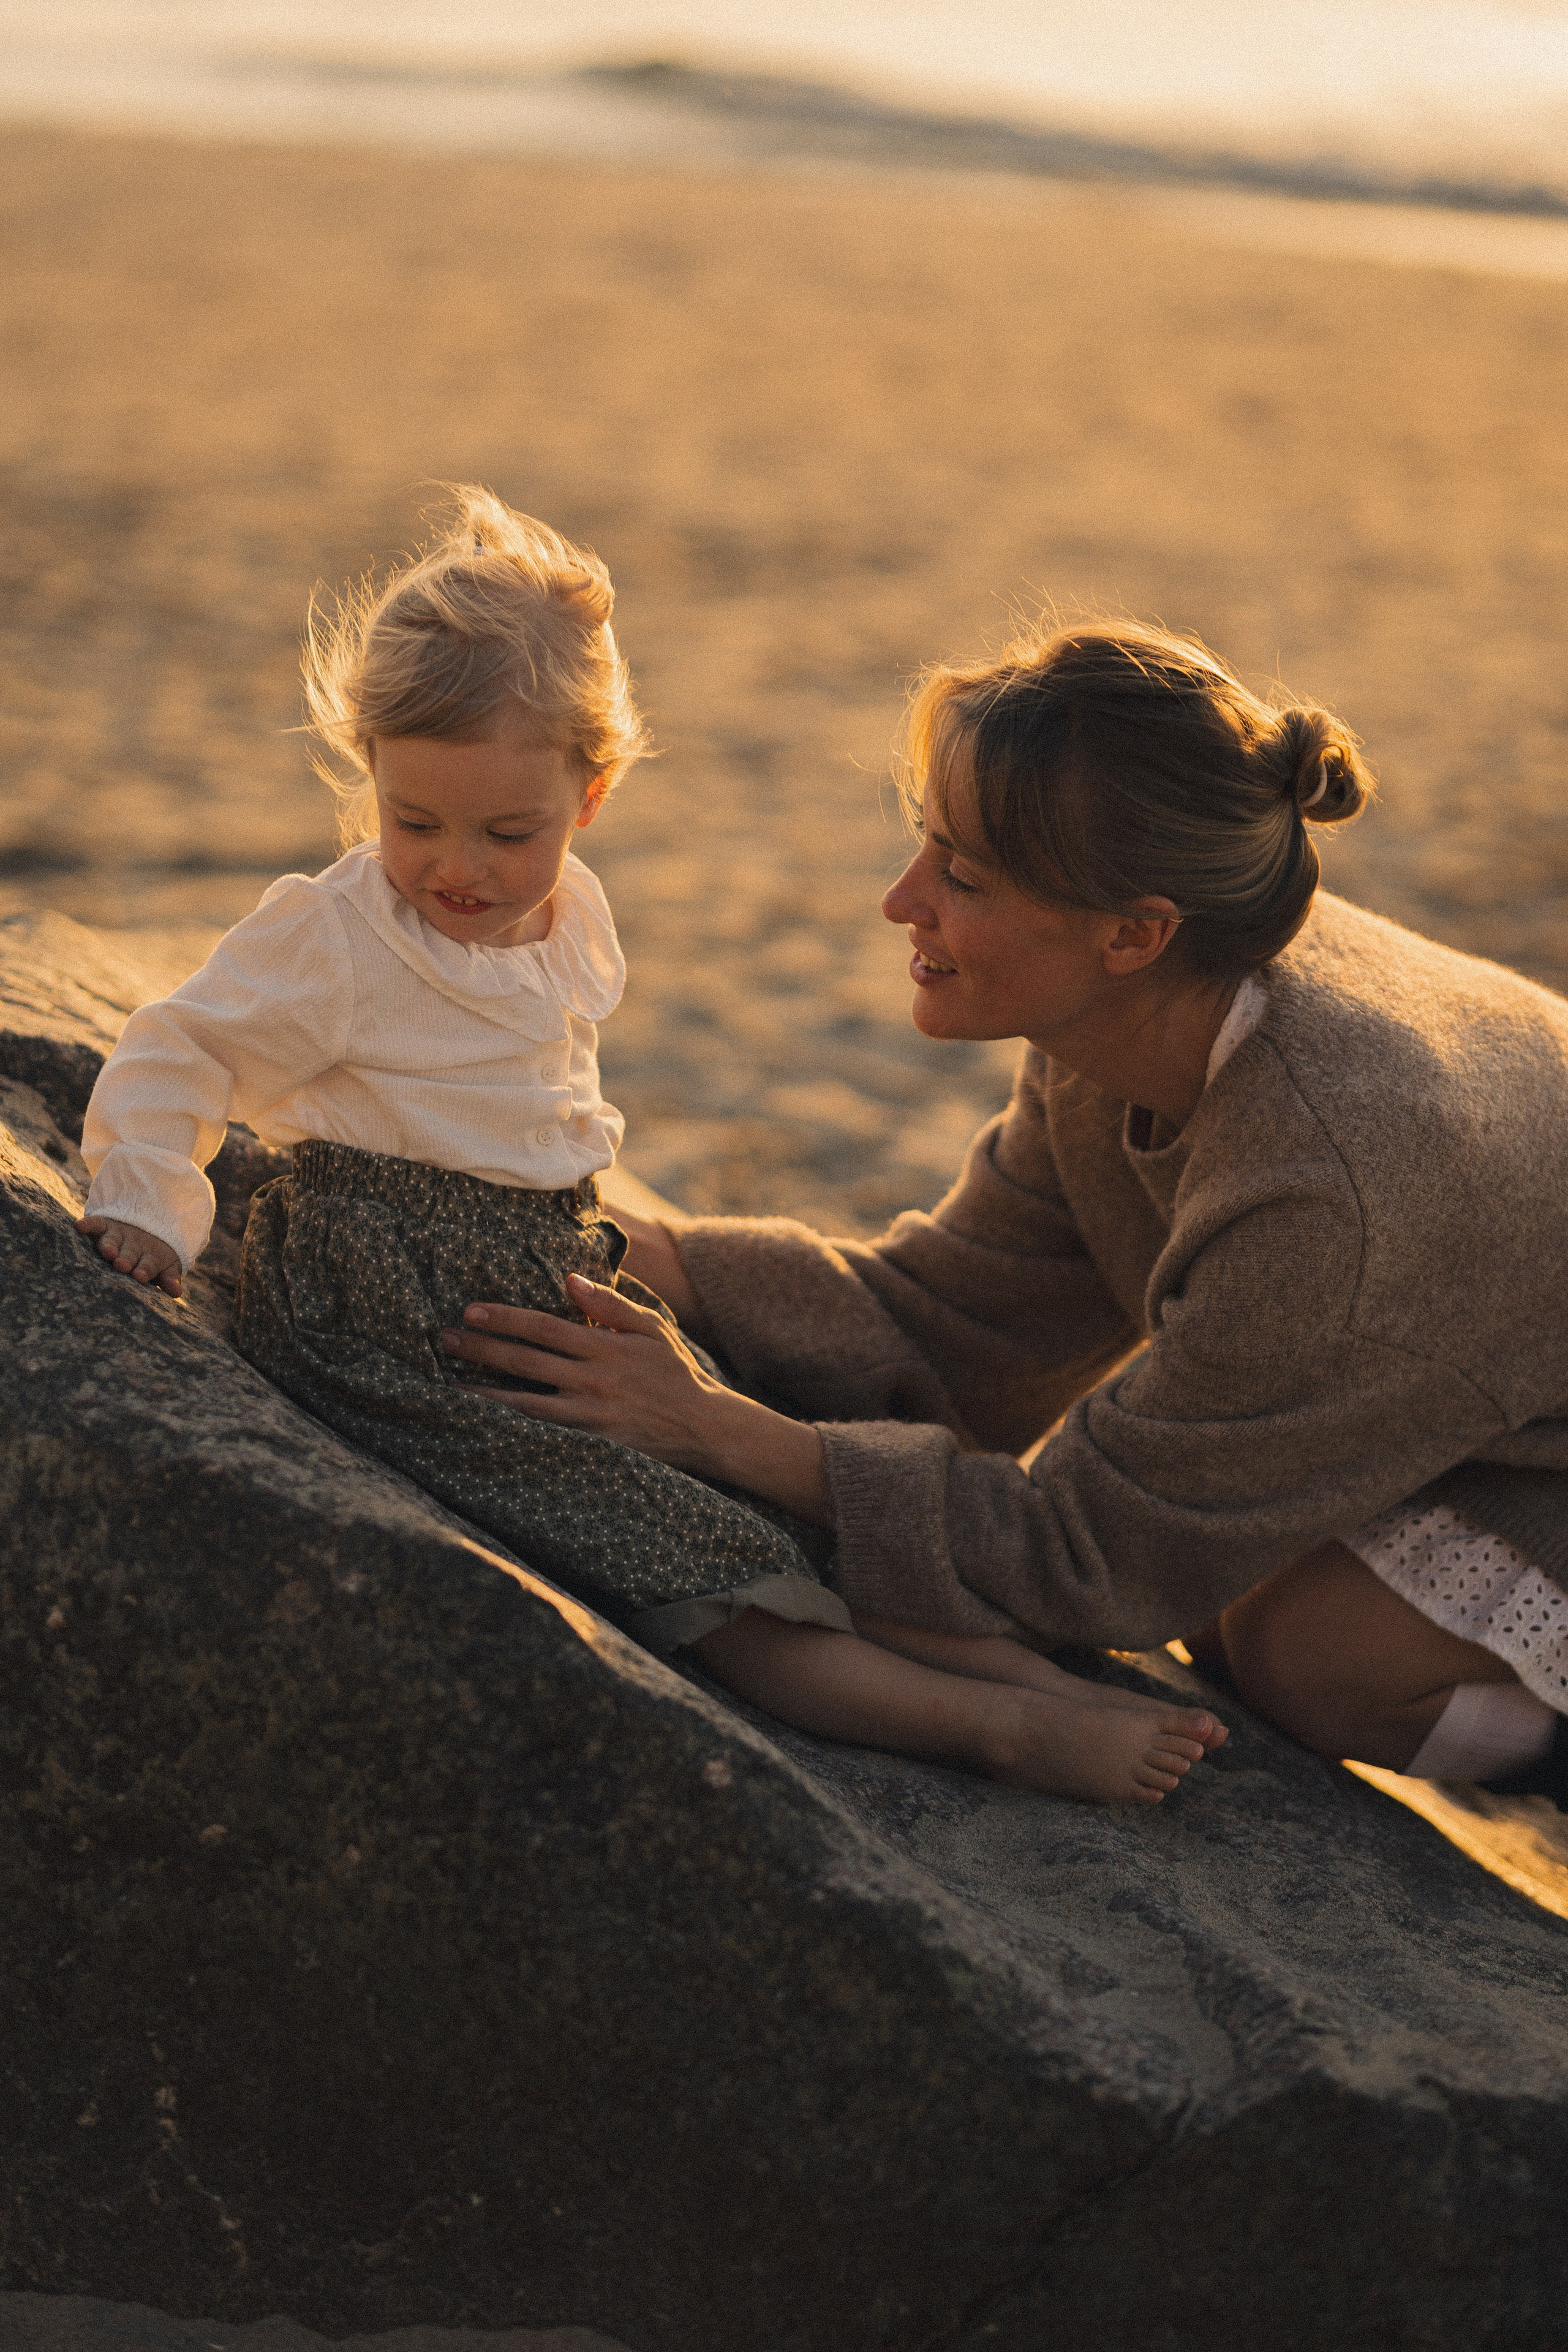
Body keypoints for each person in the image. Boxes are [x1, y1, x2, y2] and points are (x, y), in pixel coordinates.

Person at [73, 495, 1224, 1807]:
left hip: (540, 1275)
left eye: (509, 832)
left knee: (774, 1506)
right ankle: (995, 1731)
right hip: (395, 1305)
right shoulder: (340, 935)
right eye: (412, 820)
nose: (455, 869)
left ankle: (1032, 1682)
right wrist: (150, 1209)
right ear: (371, 774)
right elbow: (182, 1050)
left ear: (590, 791)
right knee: (698, 1577)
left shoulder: (565, 916)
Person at [440, 617, 1568, 1801]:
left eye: (962, 878)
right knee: (1242, 1599)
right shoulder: (1145, 1002)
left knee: (1311, 1654)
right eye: (927, 848)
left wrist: (717, 1429)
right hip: (1478, 1341)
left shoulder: (1323, 1198)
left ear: (1135, 932)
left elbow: (1090, 1555)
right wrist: (654, 1254)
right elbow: (961, 1325)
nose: (900, 901)